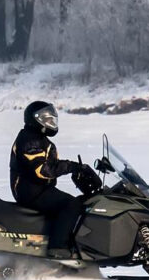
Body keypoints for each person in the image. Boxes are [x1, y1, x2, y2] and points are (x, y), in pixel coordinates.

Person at [10, 100, 98, 253]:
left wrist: (76, 168)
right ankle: (58, 248)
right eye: (48, 120)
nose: (51, 123)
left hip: (37, 189)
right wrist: (71, 167)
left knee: (78, 203)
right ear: (36, 119)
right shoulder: (30, 140)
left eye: (52, 120)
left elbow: (50, 165)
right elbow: (42, 170)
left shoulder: (36, 138)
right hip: (30, 191)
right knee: (71, 205)